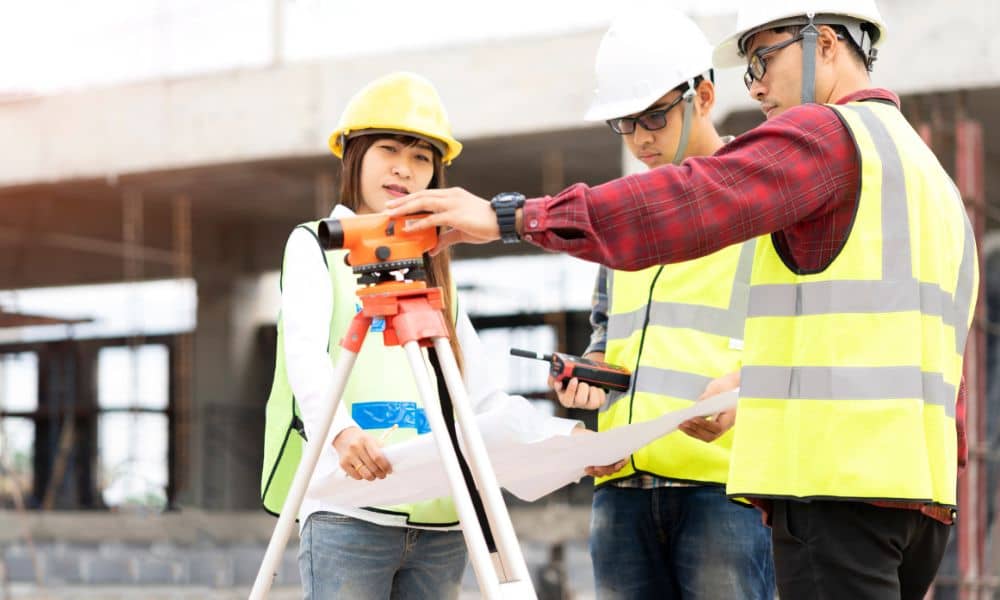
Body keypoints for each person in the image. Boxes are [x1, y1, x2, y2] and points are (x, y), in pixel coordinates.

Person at [386, 2, 977, 598]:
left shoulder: (827, 138)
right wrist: (751, 380)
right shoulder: (926, 175)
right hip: (914, 492)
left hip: (832, 483)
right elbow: (868, 338)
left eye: (762, 59)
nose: (755, 86)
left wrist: (513, 217)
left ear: (824, 43)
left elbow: (694, 200)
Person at [259, 72, 594, 599]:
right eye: (389, 149)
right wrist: (342, 433)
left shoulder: (434, 267)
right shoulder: (314, 246)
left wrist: (566, 442)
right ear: (353, 155)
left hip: (442, 518)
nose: (404, 168)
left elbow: (479, 398)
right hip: (351, 507)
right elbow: (305, 357)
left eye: (421, 158)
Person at [550, 8, 773, 599]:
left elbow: (797, 335)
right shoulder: (621, 214)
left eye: (653, 116)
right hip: (620, 488)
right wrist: (589, 375)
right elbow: (607, 333)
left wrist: (746, 385)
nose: (640, 138)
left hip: (722, 489)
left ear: (705, 96)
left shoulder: (761, 201)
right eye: (625, 122)